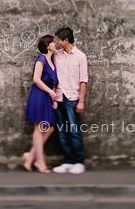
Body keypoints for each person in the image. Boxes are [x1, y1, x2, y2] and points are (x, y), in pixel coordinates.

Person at [51, 26, 88, 174]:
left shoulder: (80, 56)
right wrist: (53, 96)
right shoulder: (57, 55)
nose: (57, 43)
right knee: (62, 131)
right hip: (59, 97)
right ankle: (68, 161)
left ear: (66, 40)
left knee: (74, 130)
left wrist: (81, 101)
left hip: (73, 98)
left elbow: (83, 81)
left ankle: (78, 162)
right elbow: (54, 77)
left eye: (59, 40)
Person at [22, 34, 59, 173]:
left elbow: (54, 82)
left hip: (48, 97)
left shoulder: (52, 61)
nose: (55, 44)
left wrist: (53, 99)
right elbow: (36, 79)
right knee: (40, 128)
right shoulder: (41, 59)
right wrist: (50, 93)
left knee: (49, 129)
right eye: (53, 42)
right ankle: (40, 163)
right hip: (39, 96)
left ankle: (31, 156)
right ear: (47, 46)